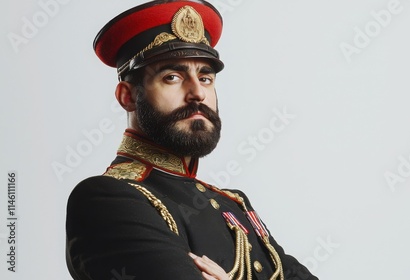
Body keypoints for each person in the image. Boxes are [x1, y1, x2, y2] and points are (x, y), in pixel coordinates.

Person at [65, 1, 318, 279]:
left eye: (206, 77)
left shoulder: (233, 203)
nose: (197, 92)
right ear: (127, 96)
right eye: (172, 77)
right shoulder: (108, 199)